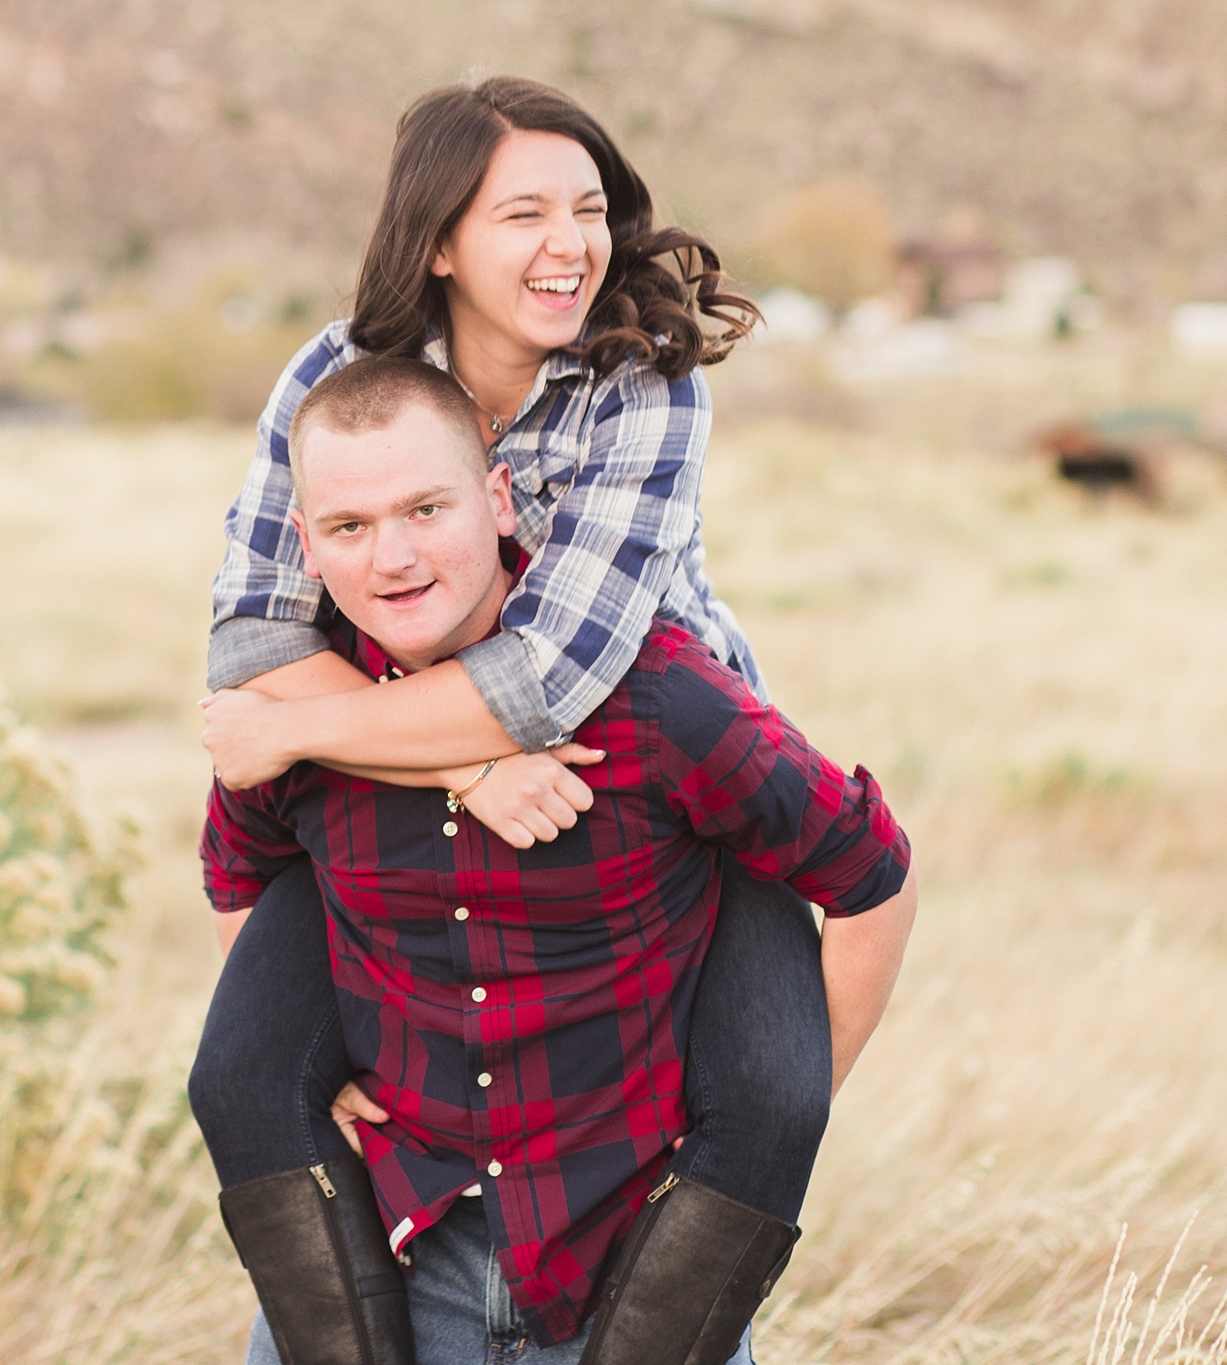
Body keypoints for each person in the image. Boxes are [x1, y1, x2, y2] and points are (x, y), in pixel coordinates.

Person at [191, 75, 848, 1365]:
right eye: (523, 213)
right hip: (396, 767)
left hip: (657, 768)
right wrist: (468, 767)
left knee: (769, 1097)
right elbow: (254, 633)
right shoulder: (334, 376)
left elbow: (556, 674)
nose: (571, 245)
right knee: (244, 1078)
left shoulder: (639, 381)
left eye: (590, 209)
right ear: (438, 239)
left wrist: (418, 738)